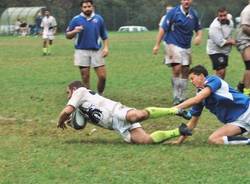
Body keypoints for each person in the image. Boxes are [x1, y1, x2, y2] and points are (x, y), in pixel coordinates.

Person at [57, 81, 192, 144]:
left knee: (138, 115)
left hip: (116, 111)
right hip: (116, 126)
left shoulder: (80, 92)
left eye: (68, 93)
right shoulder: (80, 107)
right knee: (145, 141)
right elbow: (80, 124)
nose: (68, 96)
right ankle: (179, 131)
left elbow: (66, 110)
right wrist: (73, 123)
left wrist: (61, 121)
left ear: (74, 89)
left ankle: (175, 110)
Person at [167, 65, 250, 145]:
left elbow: (197, 99)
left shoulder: (213, 80)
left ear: (201, 76)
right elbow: (192, 123)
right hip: (237, 122)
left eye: (192, 78)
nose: (191, 81)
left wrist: (174, 109)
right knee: (213, 139)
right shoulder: (200, 94)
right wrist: (179, 141)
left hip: (247, 110)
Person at [153, 0, 202, 105]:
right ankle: (176, 96)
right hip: (172, 43)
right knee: (177, 68)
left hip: (186, 46)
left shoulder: (194, 14)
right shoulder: (173, 13)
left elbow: (198, 28)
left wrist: (198, 36)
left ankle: (182, 96)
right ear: (181, 1)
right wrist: (157, 44)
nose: (186, 1)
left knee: (185, 70)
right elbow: (163, 28)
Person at [66, 0, 109, 95]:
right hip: (81, 51)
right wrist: (75, 31)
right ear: (82, 8)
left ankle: (100, 95)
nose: (87, 8)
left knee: (102, 76)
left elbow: (104, 35)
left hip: (97, 51)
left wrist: (106, 48)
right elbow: (68, 35)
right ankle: (88, 97)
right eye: (85, 7)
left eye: (89, 6)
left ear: (93, 7)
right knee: (85, 77)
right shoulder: (76, 19)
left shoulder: (99, 19)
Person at [207, 7, 235, 79]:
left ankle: (218, 88)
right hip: (215, 51)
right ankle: (209, 87)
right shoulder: (214, 27)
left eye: (224, 15)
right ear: (217, 16)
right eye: (220, 16)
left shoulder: (229, 20)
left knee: (222, 72)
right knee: (221, 71)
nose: (223, 17)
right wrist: (232, 41)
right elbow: (220, 43)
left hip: (225, 51)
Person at [236, 1, 250, 95]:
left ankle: (241, 86)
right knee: (249, 66)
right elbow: (245, 27)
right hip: (244, 41)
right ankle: (247, 92)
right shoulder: (247, 10)